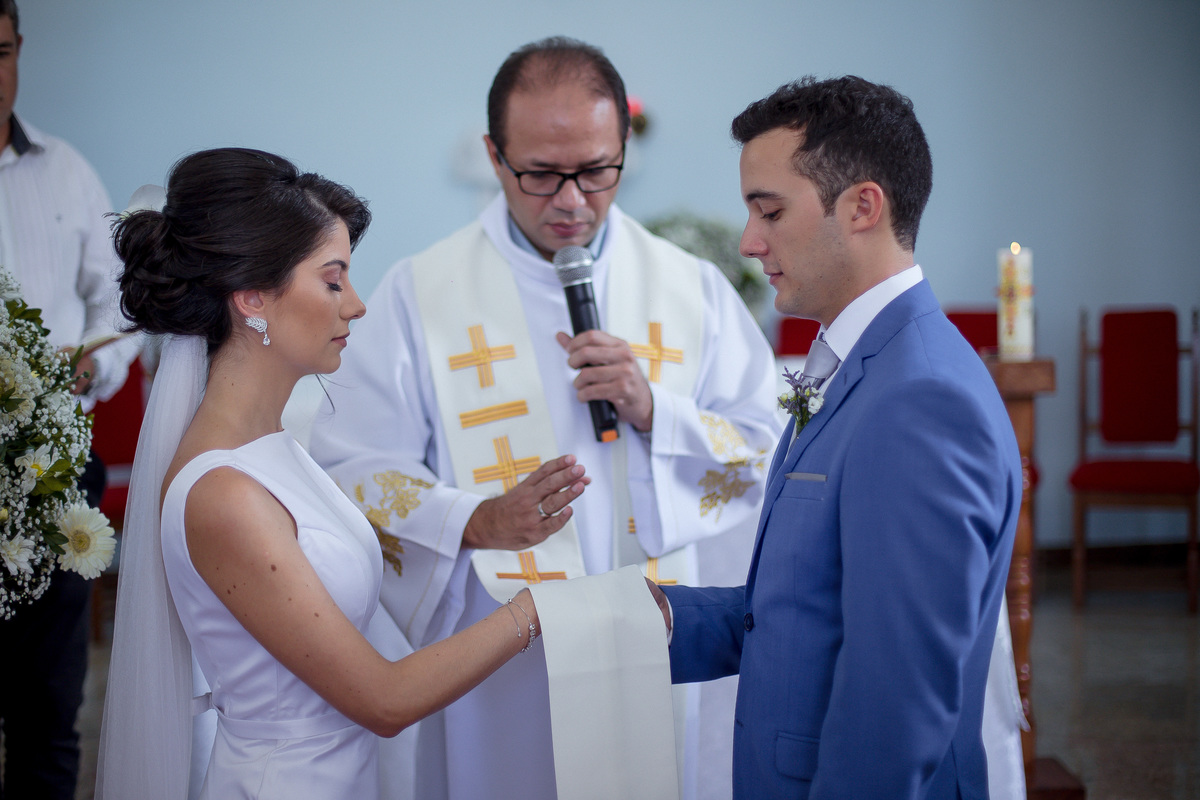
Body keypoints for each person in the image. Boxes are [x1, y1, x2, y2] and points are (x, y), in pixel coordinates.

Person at [308, 36, 781, 800]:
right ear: (495, 157)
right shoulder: (419, 292)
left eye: (596, 172)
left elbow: (764, 448)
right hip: (496, 648)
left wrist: (657, 410)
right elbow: (351, 467)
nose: (570, 200)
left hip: (650, 631)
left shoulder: (689, 288)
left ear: (625, 150)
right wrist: (472, 519)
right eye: (539, 174)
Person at [94, 148, 571, 799]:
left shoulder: (275, 446)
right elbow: (384, 699)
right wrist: (540, 608)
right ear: (253, 300)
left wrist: (482, 524)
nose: (357, 305)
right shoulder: (224, 493)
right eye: (333, 279)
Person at [654, 76, 1022, 798]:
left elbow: (897, 700)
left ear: (862, 206)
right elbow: (808, 606)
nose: (748, 240)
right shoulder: (863, 363)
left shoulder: (923, 399)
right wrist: (659, 619)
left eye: (770, 211)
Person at [0, 3, 139, 797]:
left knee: (49, 710)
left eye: (3, 52)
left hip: (54, 473)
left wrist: (90, 367)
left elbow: (118, 309)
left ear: (21, 48)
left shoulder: (65, 170)